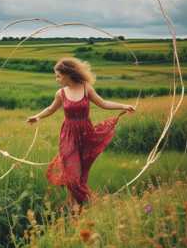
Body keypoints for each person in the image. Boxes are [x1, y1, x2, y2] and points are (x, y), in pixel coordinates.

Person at [26, 57, 135, 209]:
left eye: (58, 75)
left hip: (86, 134)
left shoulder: (86, 88)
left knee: (81, 175)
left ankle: (75, 210)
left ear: (68, 74)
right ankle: (93, 202)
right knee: (71, 177)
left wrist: (123, 105)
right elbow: (51, 109)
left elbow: (103, 103)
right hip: (68, 136)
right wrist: (37, 116)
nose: (56, 79)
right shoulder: (61, 93)